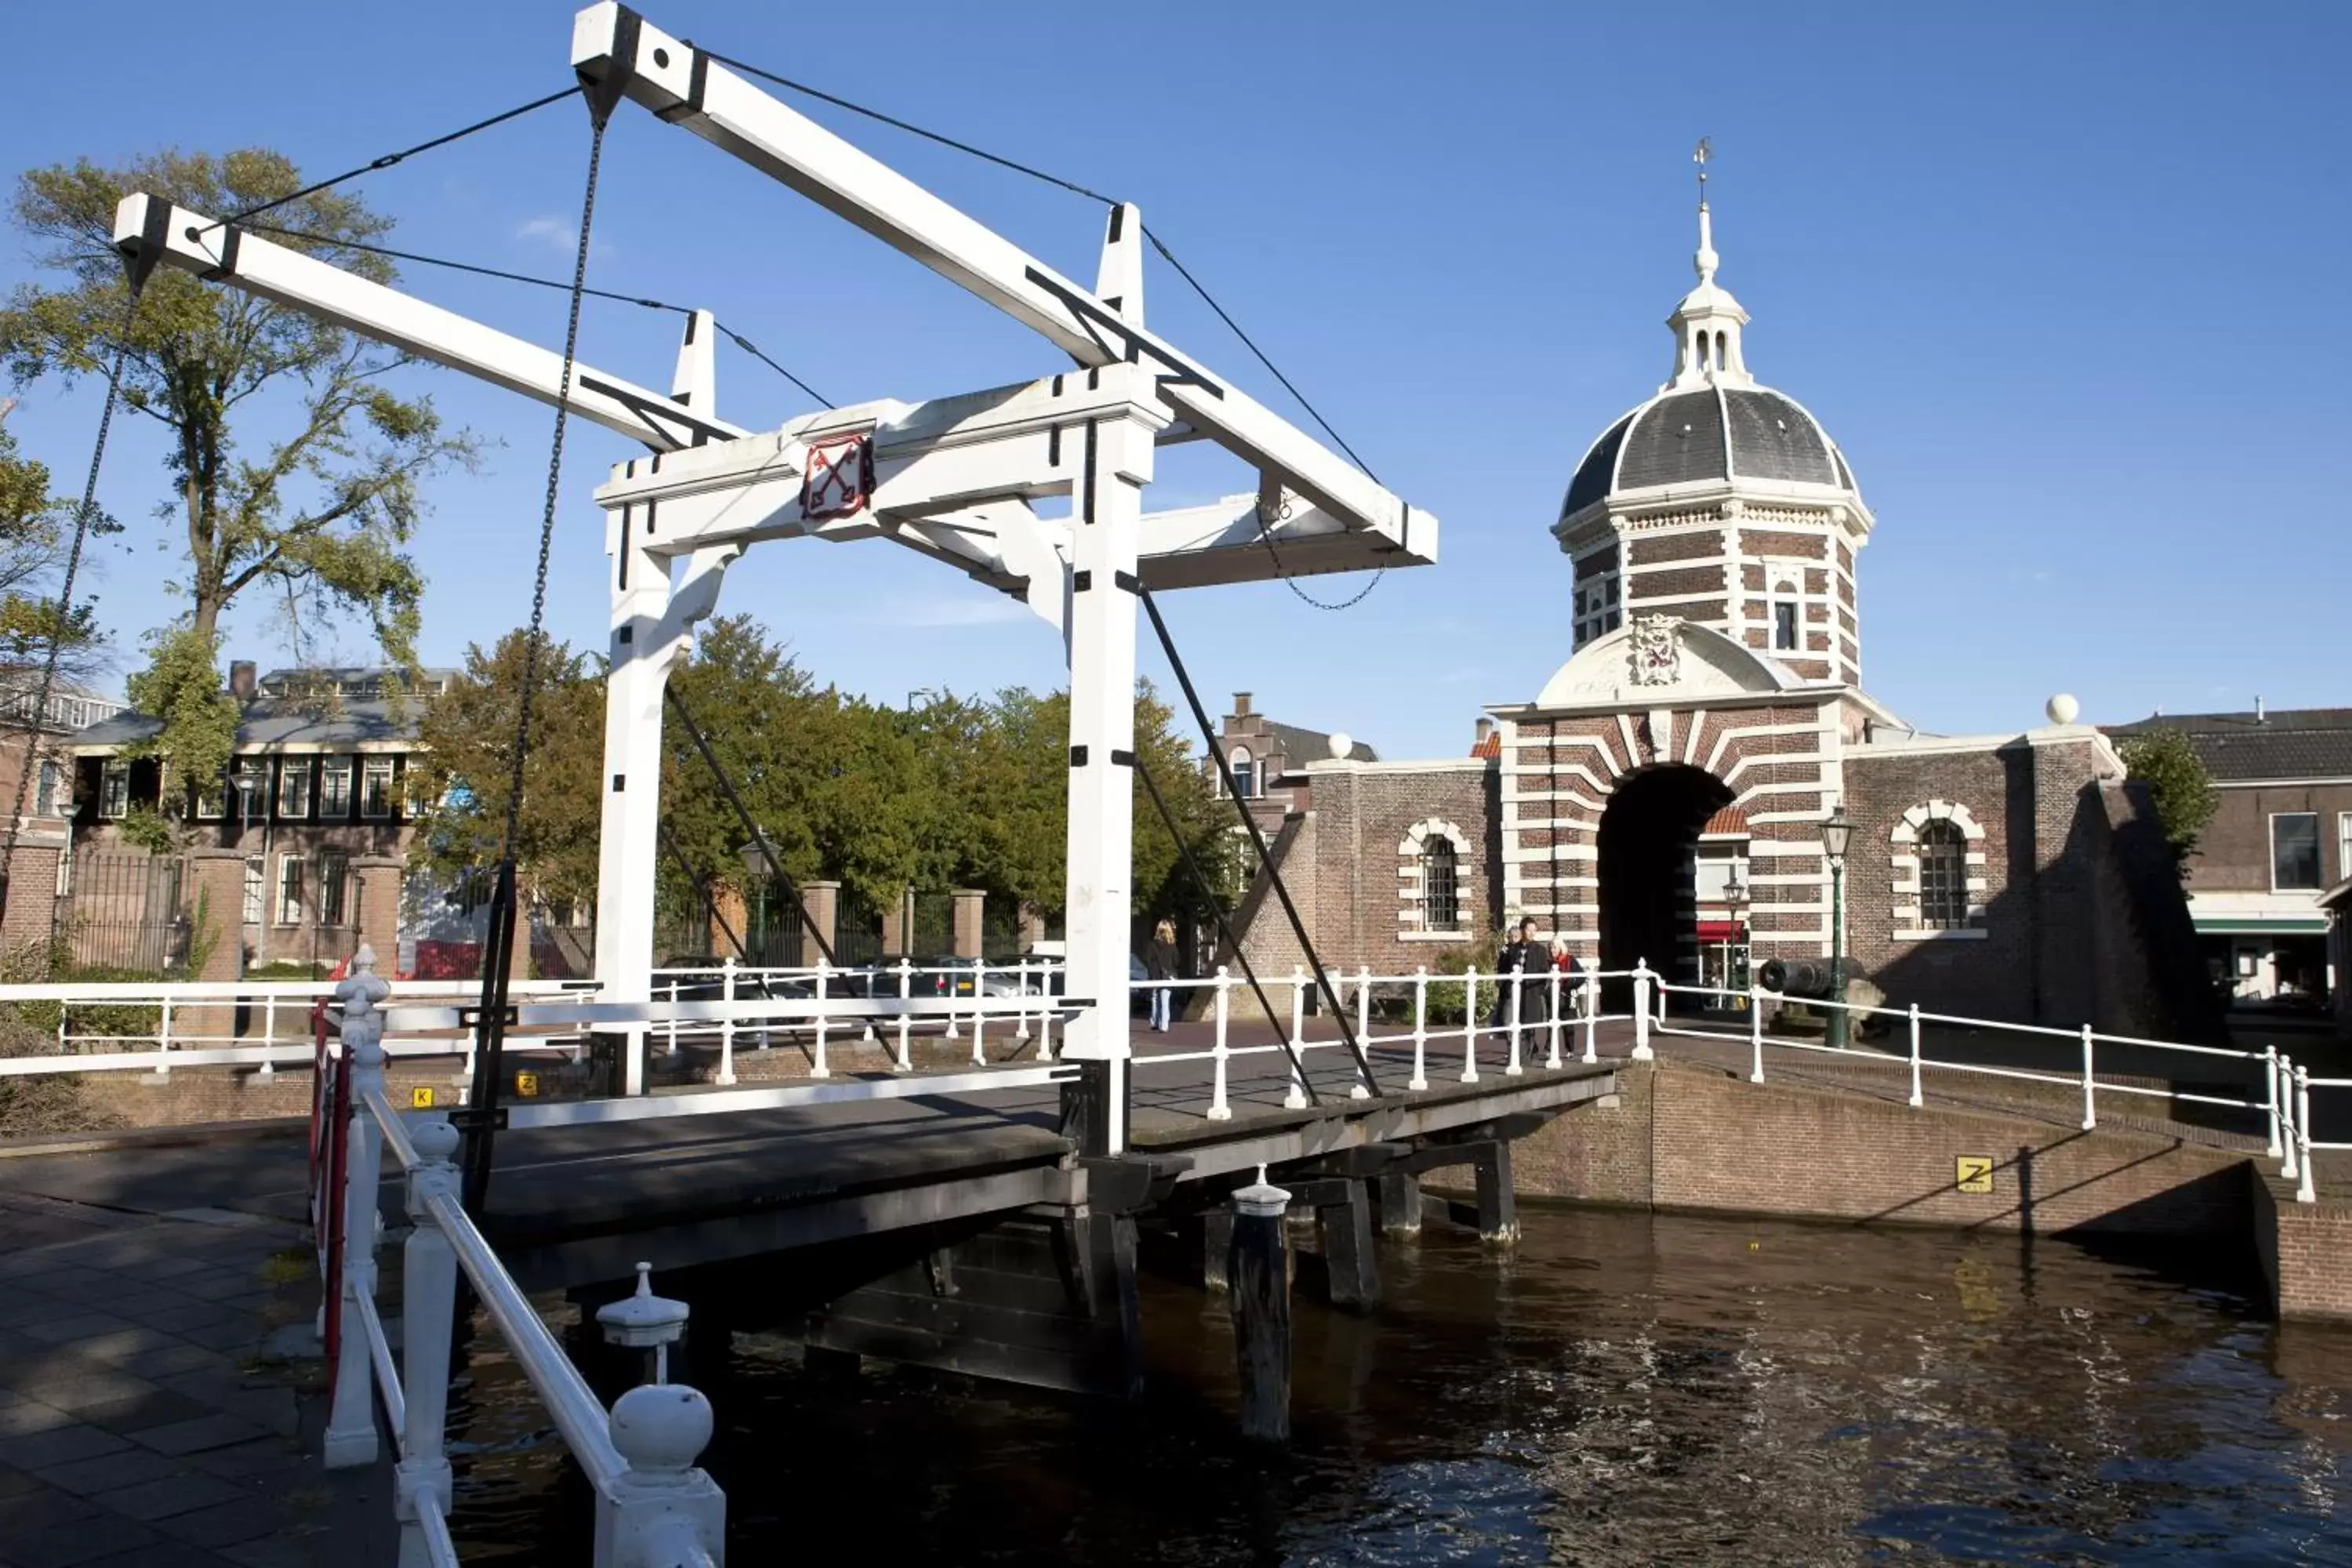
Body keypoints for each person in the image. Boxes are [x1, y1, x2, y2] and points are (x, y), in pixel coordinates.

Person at [1491, 916, 1542, 1029]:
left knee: (1527, 1024)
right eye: (1529, 930)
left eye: (1534, 930)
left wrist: (1538, 990)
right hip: (1511, 990)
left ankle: (1529, 1046)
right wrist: (1501, 985)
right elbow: (1502, 968)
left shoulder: (1539, 949)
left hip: (1529, 991)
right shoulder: (1510, 949)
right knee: (1508, 1021)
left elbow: (1543, 970)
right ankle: (1512, 1045)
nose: (1532, 933)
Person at [1143, 920, 1179, 1033]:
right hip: (1167, 977)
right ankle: (1164, 1026)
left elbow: (1148, 961)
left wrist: (1152, 973)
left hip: (1155, 976)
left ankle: (1154, 1022)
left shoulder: (1152, 944)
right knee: (1165, 1001)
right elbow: (1177, 961)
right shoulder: (1172, 945)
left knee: (1154, 999)